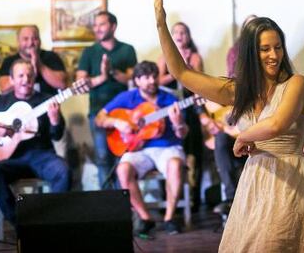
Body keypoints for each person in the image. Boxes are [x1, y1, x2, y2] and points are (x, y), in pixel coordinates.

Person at [148, 0, 304, 252]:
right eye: (265, 49)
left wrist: (244, 136)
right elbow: (181, 73)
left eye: (277, 48)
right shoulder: (238, 90)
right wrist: (161, 24)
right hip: (254, 181)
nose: (274, 55)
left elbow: (277, 125)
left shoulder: (296, 83)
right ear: (251, 52)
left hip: (290, 180)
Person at [95, 61, 188, 236]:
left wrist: (178, 124)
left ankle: (169, 218)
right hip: (138, 150)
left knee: (175, 165)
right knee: (123, 169)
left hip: (167, 147)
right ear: (137, 80)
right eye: (146, 77)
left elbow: (183, 134)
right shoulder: (127, 97)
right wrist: (116, 122)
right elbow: (99, 118)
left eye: (154, 76)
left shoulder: (170, 99)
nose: (152, 81)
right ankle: (145, 218)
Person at [0, 60, 70, 226]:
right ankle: (19, 223)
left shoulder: (47, 101)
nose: (25, 79)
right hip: (10, 159)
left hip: (41, 155)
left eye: (29, 75)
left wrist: (55, 121)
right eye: (20, 75)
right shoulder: (0, 102)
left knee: (63, 171)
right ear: (12, 80)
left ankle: (51, 223)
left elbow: (56, 136)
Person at [76, 11, 138, 188]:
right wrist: (102, 77)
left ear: (113, 26)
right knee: (103, 158)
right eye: (95, 25)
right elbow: (81, 84)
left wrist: (112, 71)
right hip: (98, 112)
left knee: (123, 157)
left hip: (124, 113)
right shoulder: (89, 52)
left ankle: (123, 201)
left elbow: (133, 80)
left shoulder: (127, 49)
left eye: (101, 24)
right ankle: (108, 202)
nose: (97, 29)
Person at [206, 15, 257, 215]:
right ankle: (230, 197)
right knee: (220, 140)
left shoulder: (269, 52)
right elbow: (231, 83)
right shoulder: (235, 52)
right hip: (238, 112)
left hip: (259, 121)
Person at [157, 21, 204, 210]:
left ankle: (193, 199)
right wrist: (178, 70)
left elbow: (200, 82)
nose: (179, 35)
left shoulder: (195, 56)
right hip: (170, 111)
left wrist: (186, 67)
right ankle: (169, 200)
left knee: (193, 154)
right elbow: (159, 80)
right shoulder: (163, 57)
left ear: (189, 36)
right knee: (169, 153)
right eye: (175, 32)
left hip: (191, 109)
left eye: (183, 32)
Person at [0, 25, 67, 95]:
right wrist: (26, 74)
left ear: (40, 41)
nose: (30, 43)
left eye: (34, 38)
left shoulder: (51, 56)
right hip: (20, 105)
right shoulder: (9, 61)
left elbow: (62, 84)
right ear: (18, 42)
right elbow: (4, 89)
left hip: (48, 104)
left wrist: (39, 65)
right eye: (25, 39)